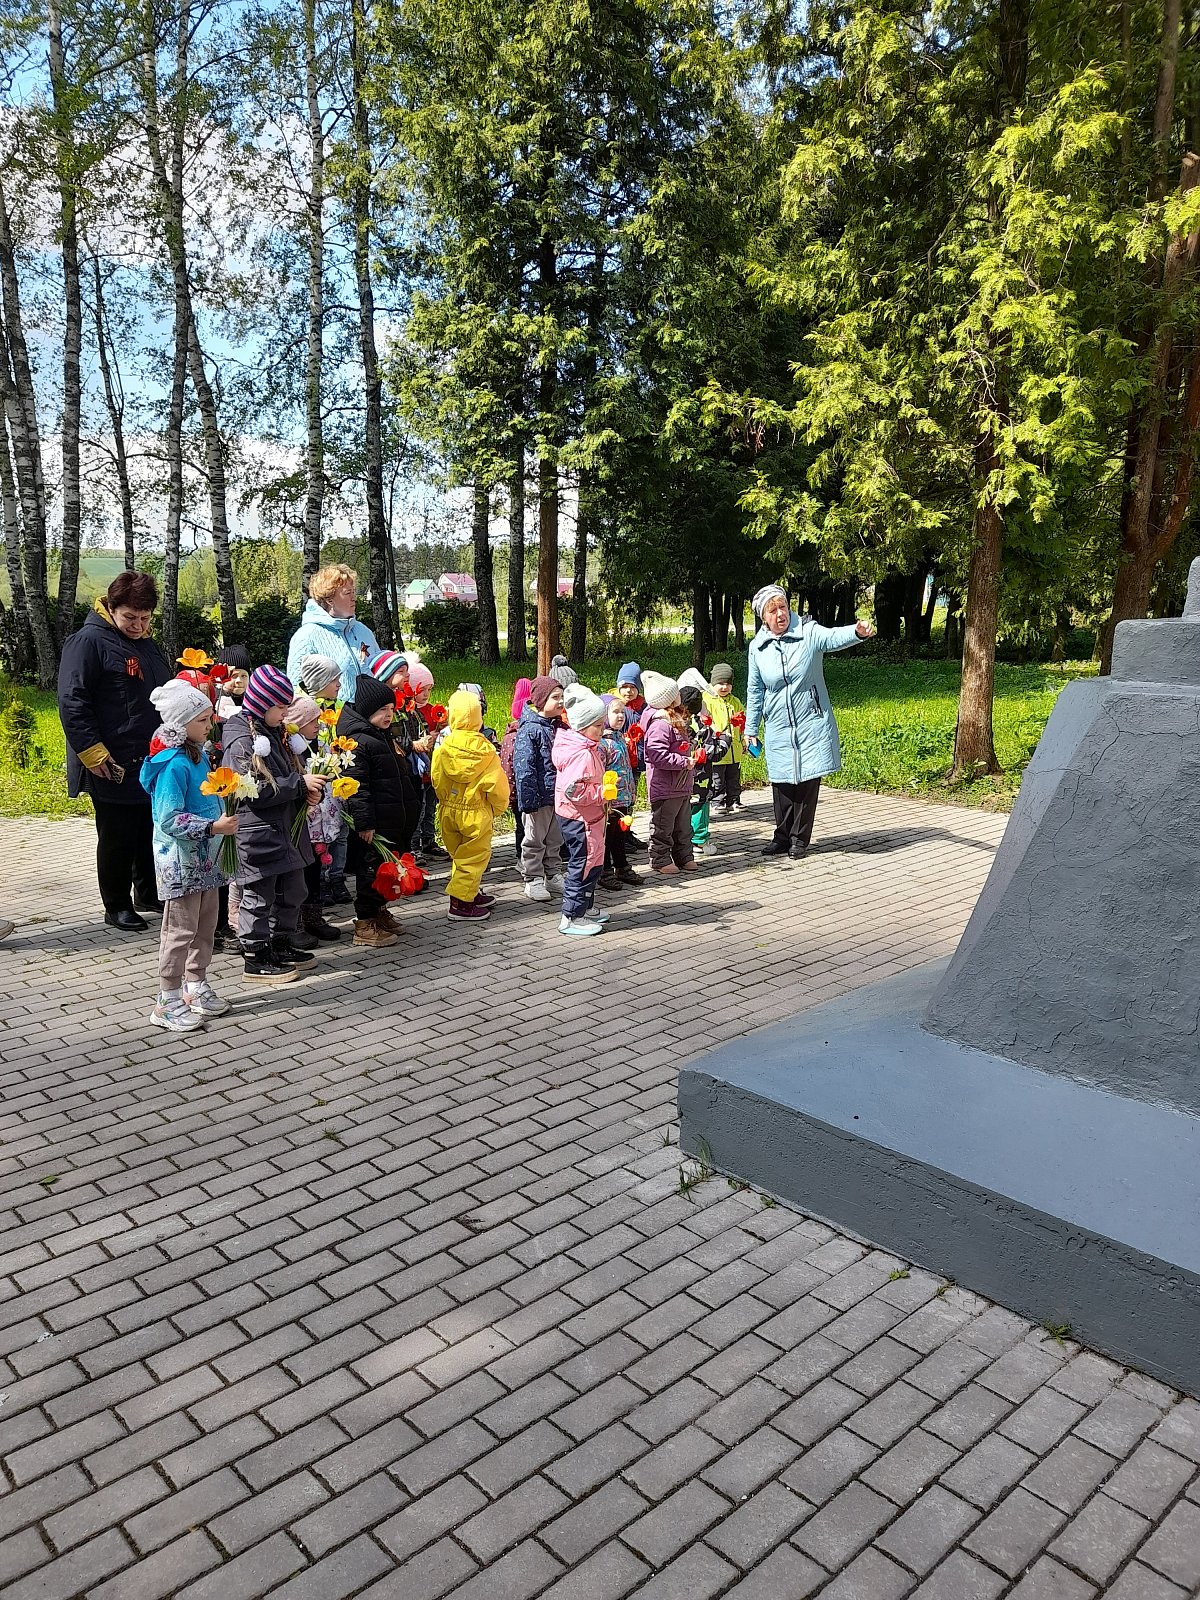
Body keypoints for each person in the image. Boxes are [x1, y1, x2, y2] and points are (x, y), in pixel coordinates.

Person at [57, 571, 173, 931]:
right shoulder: (87, 642)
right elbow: (72, 701)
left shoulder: (147, 644)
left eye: (145, 618)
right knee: (117, 834)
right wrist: (92, 752)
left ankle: (148, 892)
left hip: (151, 755)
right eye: (130, 618)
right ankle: (116, 904)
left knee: (147, 827)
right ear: (110, 607)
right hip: (110, 757)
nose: (138, 626)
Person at [745, 583, 875, 859]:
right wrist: (751, 728)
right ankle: (781, 837)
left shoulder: (808, 632)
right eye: (773, 611)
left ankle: (799, 839)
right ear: (763, 617)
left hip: (810, 720)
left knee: (806, 780)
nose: (780, 614)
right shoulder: (757, 648)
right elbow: (755, 690)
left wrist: (856, 632)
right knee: (782, 782)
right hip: (778, 724)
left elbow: (833, 637)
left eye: (783, 607)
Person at [140, 680, 240, 1032]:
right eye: (202, 720)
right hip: (181, 864)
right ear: (180, 725)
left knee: (205, 926)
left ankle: (195, 985)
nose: (210, 725)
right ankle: (167, 999)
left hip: (206, 862)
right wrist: (213, 826)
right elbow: (168, 818)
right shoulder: (173, 765)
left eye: (210, 718)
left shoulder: (197, 756)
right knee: (179, 931)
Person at [223, 665, 327, 983]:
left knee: (293, 890)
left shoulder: (274, 732)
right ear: (263, 703)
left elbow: (292, 772)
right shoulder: (242, 740)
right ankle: (256, 955)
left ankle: (281, 941)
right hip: (259, 833)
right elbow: (251, 790)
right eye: (281, 706)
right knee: (259, 896)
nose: (285, 713)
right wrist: (298, 785)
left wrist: (308, 791)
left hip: (284, 828)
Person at [338, 675, 420, 947]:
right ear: (367, 711)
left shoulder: (381, 736)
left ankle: (379, 911)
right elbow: (357, 787)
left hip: (392, 819)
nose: (389, 715)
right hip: (375, 823)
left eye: (391, 709)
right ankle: (364, 922)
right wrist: (364, 823)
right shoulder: (359, 742)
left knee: (386, 870)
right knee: (370, 871)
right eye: (382, 710)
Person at [432, 688, 510, 923]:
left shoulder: (444, 746)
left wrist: (445, 800)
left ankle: (470, 892)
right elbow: (497, 786)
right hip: (475, 812)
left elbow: (436, 777)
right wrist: (497, 808)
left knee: (460, 856)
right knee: (474, 858)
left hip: (448, 809)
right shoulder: (485, 750)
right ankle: (460, 904)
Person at [553, 684, 610, 936]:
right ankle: (571, 916)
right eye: (597, 725)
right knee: (584, 864)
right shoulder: (582, 754)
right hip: (581, 819)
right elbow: (574, 790)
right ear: (582, 725)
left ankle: (585, 907)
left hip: (589, 818)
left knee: (594, 861)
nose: (602, 729)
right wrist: (602, 793)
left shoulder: (587, 747)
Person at [287, 693, 342, 946]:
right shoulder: (291, 750)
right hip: (302, 823)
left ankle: (314, 916)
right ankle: (296, 921)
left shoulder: (318, 746)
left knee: (315, 870)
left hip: (319, 819)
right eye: (312, 722)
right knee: (300, 874)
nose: (318, 726)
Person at [285, 563, 380, 693]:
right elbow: (297, 687)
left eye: (353, 592)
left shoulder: (363, 631)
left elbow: (381, 669)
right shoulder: (306, 636)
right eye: (347, 593)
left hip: (373, 706)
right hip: (331, 707)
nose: (354, 598)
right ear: (329, 600)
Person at [514, 676, 567, 903]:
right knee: (535, 839)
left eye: (562, 696)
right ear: (541, 701)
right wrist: (529, 799)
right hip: (538, 797)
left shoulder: (558, 727)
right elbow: (524, 767)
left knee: (555, 838)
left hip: (557, 794)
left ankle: (552, 873)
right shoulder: (530, 730)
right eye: (555, 697)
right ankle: (533, 878)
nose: (561, 701)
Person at [641, 671, 698, 877]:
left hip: (682, 785)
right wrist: (684, 762)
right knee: (663, 826)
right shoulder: (660, 724)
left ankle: (684, 856)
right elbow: (657, 754)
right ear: (670, 699)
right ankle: (660, 858)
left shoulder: (675, 719)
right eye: (677, 693)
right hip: (666, 787)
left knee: (683, 825)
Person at [679, 683, 730, 857]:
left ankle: (681, 840)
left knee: (683, 808)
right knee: (700, 806)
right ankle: (699, 841)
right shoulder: (701, 727)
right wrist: (725, 738)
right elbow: (715, 752)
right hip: (700, 776)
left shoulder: (675, 724)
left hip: (679, 776)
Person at [597, 695, 641, 890]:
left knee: (620, 835)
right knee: (607, 837)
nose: (621, 716)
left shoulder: (620, 738)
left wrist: (631, 791)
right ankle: (604, 871)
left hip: (623, 798)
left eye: (622, 712)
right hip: (609, 801)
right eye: (615, 712)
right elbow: (600, 773)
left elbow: (627, 769)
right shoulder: (602, 743)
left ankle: (622, 867)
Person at [408, 662, 448, 861]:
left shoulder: (433, 710)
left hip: (433, 768)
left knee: (431, 807)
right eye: (421, 689)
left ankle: (429, 840)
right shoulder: (409, 711)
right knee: (419, 809)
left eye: (429, 689)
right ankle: (414, 845)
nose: (426, 694)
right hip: (419, 769)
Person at [705, 663, 746, 814]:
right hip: (717, 748)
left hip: (734, 748)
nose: (724, 687)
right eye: (721, 683)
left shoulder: (735, 702)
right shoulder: (707, 700)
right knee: (717, 778)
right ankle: (717, 801)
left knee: (734, 777)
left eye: (728, 684)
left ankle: (733, 800)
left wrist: (744, 740)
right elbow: (704, 721)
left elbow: (742, 723)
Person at [500, 677, 533, 856]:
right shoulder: (513, 736)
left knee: (526, 828)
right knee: (523, 828)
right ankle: (522, 856)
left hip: (523, 793)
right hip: (520, 793)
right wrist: (511, 794)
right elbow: (507, 767)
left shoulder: (510, 735)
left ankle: (524, 857)